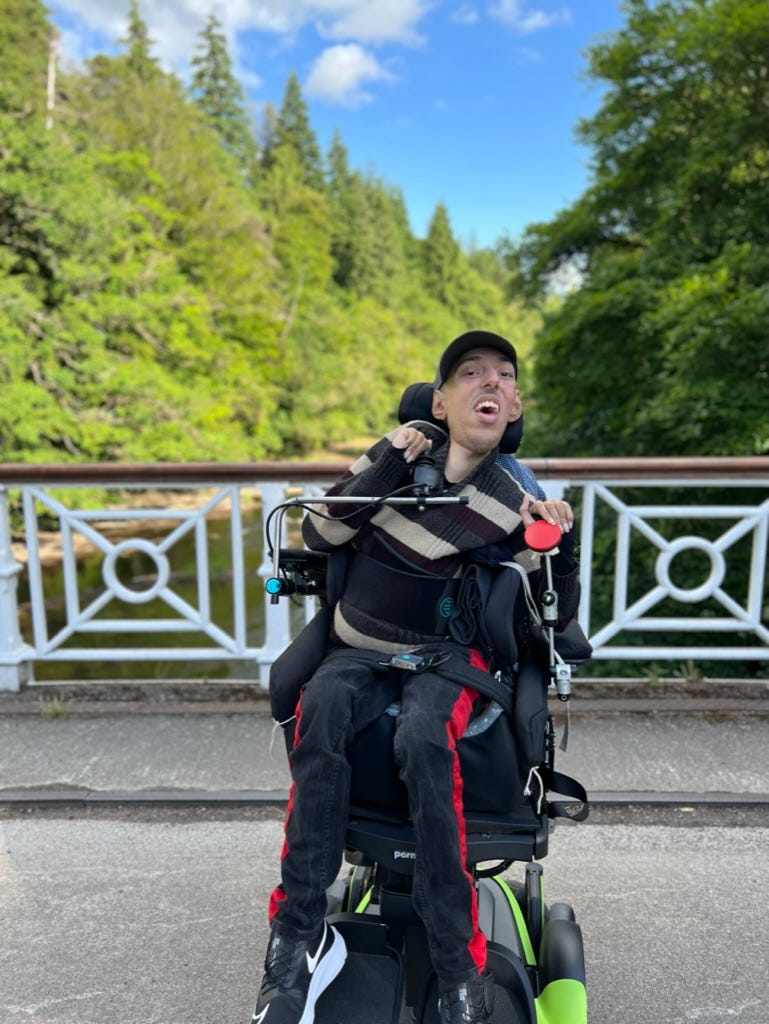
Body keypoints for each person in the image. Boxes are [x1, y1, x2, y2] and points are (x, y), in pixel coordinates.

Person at [251, 330, 578, 1024]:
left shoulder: (512, 496)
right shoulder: (395, 460)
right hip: (360, 652)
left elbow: (555, 607)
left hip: (449, 660)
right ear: (438, 399)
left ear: (514, 403)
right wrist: (385, 461)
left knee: (426, 734)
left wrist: (559, 541)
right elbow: (321, 536)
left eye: (503, 376)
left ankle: (459, 966)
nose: (489, 383)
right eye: (470, 373)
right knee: (325, 703)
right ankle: (294, 937)